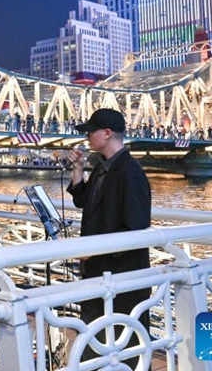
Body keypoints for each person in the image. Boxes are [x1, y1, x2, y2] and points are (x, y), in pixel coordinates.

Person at [66, 108, 151, 370]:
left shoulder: (130, 173)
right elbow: (84, 201)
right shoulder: (103, 167)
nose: (87, 137)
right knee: (96, 335)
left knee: (126, 342)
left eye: (90, 131)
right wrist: (77, 169)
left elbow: (136, 229)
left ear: (106, 133)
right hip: (100, 273)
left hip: (122, 276)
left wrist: (95, 252)